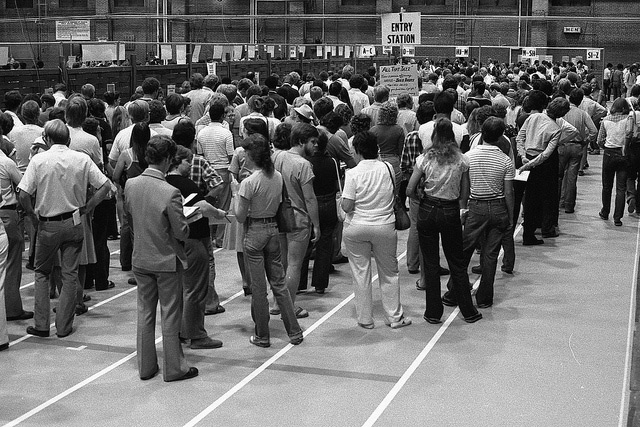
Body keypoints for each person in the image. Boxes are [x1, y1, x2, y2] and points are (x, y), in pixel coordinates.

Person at [18, 119, 110, 338]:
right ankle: (64, 326)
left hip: (47, 224)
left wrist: (32, 215)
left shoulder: (39, 160)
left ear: (47, 139)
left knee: (42, 272)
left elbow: (23, 194)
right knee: (70, 275)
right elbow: (105, 186)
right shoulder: (82, 159)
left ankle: (41, 324)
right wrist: (87, 207)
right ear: (68, 139)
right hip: (74, 221)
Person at [125, 134, 198, 382]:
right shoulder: (171, 192)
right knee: (170, 314)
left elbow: (130, 218)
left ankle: (146, 367)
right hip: (166, 260)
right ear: (167, 159)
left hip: (141, 258)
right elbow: (180, 231)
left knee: (145, 313)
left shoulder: (131, 184)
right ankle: (174, 368)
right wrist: (188, 223)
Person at [406, 118, 482, 324]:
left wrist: (420, 198)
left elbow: (409, 189)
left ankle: (433, 312)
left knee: (430, 263)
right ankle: (468, 310)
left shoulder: (425, 159)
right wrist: (461, 207)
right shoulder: (462, 160)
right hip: (450, 211)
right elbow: (465, 192)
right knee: (456, 262)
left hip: (428, 209)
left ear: (434, 135)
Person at [234, 133, 304, 348]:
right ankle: (294, 331)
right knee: (279, 283)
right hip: (273, 229)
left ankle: (262, 335)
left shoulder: (248, 183)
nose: (243, 155)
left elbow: (240, 216)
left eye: (246, 152)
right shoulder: (278, 177)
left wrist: (236, 192)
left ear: (252, 155)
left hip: (254, 231)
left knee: (259, 289)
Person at [341, 131, 411, 329]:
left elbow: (347, 206)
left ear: (357, 150)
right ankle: (394, 317)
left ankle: (365, 319)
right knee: (389, 272)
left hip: (356, 228)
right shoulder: (388, 168)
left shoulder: (352, 173)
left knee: (360, 272)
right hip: (384, 227)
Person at [446, 117, 514, 309]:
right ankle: (484, 298)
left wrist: (463, 207)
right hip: (498, 207)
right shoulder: (505, 160)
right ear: (501, 136)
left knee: (464, 252)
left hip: (476, 207)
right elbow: (509, 191)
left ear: (481, 132)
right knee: (490, 255)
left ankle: (453, 293)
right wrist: (509, 215)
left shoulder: (468, 157)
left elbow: (464, 187)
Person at [166, 146, 227, 349]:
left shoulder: (163, 183)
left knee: (182, 289)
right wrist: (219, 213)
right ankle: (196, 335)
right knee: (195, 289)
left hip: (174, 242)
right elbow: (203, 207)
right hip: (194, 239)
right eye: (187, 161)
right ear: (177, 161)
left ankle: (181, 331)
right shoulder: (187, 184)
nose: (190, 165)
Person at [272, 123, 321, 318]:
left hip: (277, 216)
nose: (316, 146)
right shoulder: (303, 165)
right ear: (301, 141)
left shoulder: (276, 157)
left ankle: (277, 303)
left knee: (281, 263)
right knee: (294, 265)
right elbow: (310, 198)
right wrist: (316, 225)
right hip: (298, 218)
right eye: (312, 142)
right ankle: (289, 307)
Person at [517, 97, 571, 245]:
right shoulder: (556, 129)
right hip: (540, 165)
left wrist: (523, 157)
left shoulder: (532, 117)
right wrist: (529, 164)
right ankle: (532, 233)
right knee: (540, 199)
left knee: (525, 198)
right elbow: (546, 154)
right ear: (562, 115)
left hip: (526, 159)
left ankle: (525, 231)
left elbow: (520, 138)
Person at [306, 131, 339, 294]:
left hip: (311, 204)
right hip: (329, 203)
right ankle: (320, 284)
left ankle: (298, 283)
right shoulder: (332, 162)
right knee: (325, 244)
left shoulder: (306, 163)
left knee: (305, 243)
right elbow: (336, 184)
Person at [597, 97, 634, 226]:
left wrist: (606, 147)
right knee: (621, 188)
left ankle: (605, 212)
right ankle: (617, 218)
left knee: (607, 186)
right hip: (623, 154)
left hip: (609, 153)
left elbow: (599, 140)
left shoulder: (605, 121)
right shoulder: (628, 119)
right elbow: (630, 133)